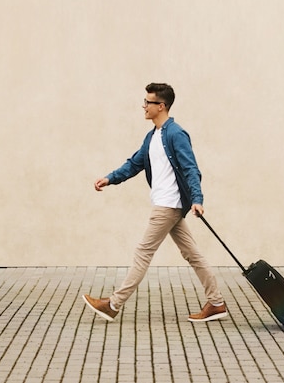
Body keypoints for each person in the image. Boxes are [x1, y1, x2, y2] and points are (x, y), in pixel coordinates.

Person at [83, 82, 227, 323]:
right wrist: (110, 178)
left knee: (143, 252)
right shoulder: (153, 137)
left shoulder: (175, 134)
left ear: (161, 106)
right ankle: (216, 303)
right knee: (192, 254)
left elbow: (191, 169)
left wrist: (197, 199)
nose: (144, 106)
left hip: (167, 205)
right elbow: (134, 164)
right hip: (167, 205)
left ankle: (114, 304)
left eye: (148, 102)